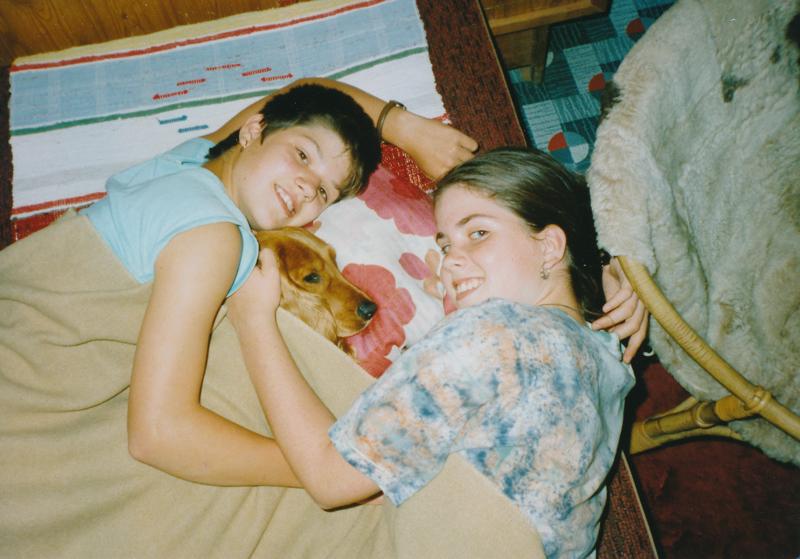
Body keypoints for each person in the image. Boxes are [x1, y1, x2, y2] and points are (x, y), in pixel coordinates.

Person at [228, 147, 638, 558]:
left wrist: (253, 322)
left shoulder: (486, 333)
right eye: (445, 246)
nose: (451, 262)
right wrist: (612, 265)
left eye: (478, 234)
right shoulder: (606, 351)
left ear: (549, 246)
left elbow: (328, 479)